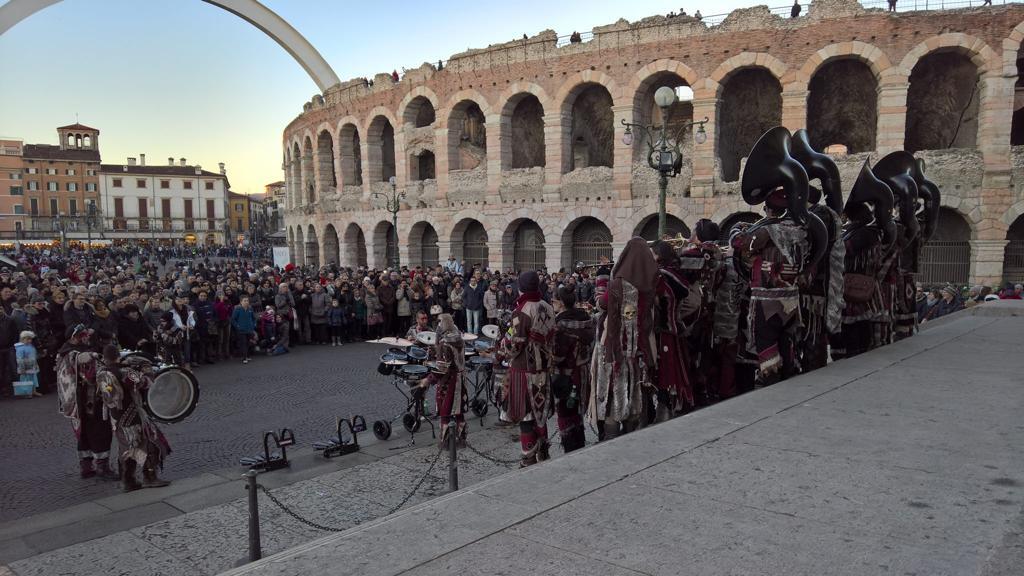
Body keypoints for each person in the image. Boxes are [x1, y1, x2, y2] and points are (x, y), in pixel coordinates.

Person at [498, 270, 555, 466]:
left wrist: (502, 348)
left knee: (525, 413)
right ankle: (543, 451)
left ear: (521, 288)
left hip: (524, 369)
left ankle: (528, 457)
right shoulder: (548, 306)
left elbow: (515, 344)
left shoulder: (521, 311)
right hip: (544, 367)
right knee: (540, 411)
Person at [98, 344, 171, 492]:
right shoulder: (124, 372)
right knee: (151, 443)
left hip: (116, 418)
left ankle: (128, 481)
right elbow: (145, 383)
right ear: (118, 356)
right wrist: (146, 368)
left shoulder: (101, 372)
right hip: (133, 416)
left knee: (126, 449)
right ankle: (150, 478)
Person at [56, 325, 117, 480]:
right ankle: (101, 467)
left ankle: (87, 467)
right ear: (74, 337)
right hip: (88, 401)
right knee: (99, 432)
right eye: (83, 335)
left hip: (80, 402)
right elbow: (83, 364)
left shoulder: (69, 351)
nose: (87, 337)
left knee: (85, 433)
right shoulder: (71, 353)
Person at [550, 286, 594, 453]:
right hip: (583, 371)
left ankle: (570, 447)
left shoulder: (561, 325)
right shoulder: (586, 318)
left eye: (553, 301)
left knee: (565, 412)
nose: (552, 304)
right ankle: (579, 442)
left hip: (566, 375)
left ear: (561, 303)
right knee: (577, 411)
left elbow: (558, 356)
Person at [424, 313, 468, 448]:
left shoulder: (445, 342)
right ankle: (461, 440)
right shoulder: (459, 338)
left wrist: (429, 379)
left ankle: (446, 442)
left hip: (449, 381)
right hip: (461, 377)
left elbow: (442, 367)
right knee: (459, 411)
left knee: (445, 411)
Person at [231, 295, 257, 364]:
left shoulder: (250, 309)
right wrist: (238, 326)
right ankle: (244, 357)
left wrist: (254, 325)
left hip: (249, 329)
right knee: (243, 343)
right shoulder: (237, 309)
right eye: (244, 301)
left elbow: (254, 318)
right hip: (241, 330)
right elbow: (233, 319)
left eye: (247, 301)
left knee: (248, 343)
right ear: (241, 302)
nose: (246, 302)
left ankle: (247, 356)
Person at [15, 330, 41, 397]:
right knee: (26, 380)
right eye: (27, 339)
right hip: (25, 367)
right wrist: (22, 368)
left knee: (33, 379)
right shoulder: (20, 348)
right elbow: (19, 359)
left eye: (30, 339)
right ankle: (27, 392)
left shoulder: (31, 346)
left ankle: (34, 391)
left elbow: (34, 355)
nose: (29, 340)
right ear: (22, 339)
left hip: (32, 366)